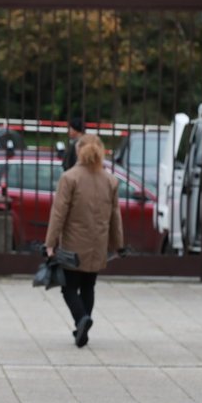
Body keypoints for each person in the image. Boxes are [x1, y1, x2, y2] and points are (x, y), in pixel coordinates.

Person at [44, 134, 123, 348]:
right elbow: (115, 215)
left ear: (79, 150)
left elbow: (58, 213)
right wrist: (118, 244)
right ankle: (83, 326)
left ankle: (81, 320)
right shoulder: (110, 180)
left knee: (68, 287)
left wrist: (50, 243)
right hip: (98, 243)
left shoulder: (70, 178)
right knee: (89, 285)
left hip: (73, 244)